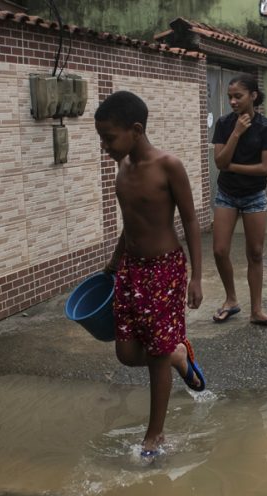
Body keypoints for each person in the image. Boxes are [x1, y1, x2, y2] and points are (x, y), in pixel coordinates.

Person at [95, 91, 205, 458]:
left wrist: (197, 276)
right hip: (130, 270)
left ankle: (154, 436)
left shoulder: (168, 166)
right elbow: (130, 225)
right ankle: (176, 357)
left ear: (136, 130)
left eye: (109, 137)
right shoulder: (123, 169)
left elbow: (190, 219)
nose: (105, 145)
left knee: (155, 354)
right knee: (126, 353)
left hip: (164, 270)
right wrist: (113, 266)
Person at [211, 74, 267, 328]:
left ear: (253, 96)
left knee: (255, 253)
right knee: (219, 250)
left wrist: (232, 166)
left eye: (238, 96)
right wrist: (237, 133)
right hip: (226, 193)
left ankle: (257, 310)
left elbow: (265, 168)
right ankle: (231, 300)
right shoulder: (223, 124)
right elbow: (219, 163)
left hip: (254, 196)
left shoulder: (266, 127)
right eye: (230, 97)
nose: (232, 101)